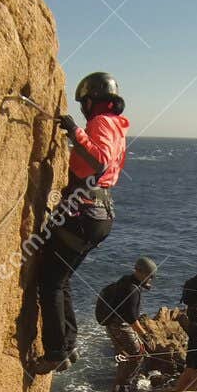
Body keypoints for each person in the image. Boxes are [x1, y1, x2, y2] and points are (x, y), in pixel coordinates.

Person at [30, 72, 131, 374]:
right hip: (98, 214)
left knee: (49, 283)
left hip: (82, 213)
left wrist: (75, 131)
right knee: (61, 278)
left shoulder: (99, 123)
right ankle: (68, 344)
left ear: (90, 101)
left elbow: (98, 160)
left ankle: (56, 351)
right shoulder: (116, 126)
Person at [95, 258, 156, 392]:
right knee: (137, 356)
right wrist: (145, 336)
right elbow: (132, 318)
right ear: (139, 272)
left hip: (112, 325)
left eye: (152, 276)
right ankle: (122, 390)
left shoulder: (125, 281)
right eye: (149, 275)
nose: (151, 279)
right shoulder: (132, 290)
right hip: (120, 326)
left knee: (125, 356)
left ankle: (117, 390)